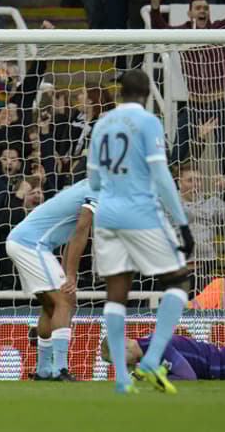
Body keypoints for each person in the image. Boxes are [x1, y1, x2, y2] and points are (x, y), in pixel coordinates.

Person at [87, 69, 194, 394]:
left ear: (120, 92)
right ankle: (150, 360)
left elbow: (92, 181)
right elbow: (161, 177)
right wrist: (182, 224)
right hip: (141, 213)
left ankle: (121, 378)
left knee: (116, 293)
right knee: (178, 281)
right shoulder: (148, 122)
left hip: (106, 215)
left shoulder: (102, 124)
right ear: (147, 94)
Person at [5, 179, 96, 381]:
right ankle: (61, 369)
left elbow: (72, 237)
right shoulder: (99, 187)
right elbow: (82, 230)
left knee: (51, 306)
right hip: (31, 244)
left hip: (22, 241)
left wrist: (66, 271)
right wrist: (71, 275)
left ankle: (44, 370)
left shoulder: (88, 185)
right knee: (65, 300)